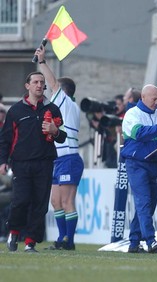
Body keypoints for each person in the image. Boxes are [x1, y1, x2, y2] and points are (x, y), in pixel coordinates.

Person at [0, 71, 66, 252]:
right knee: (20, 200)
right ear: (27, 86)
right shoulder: (15, 111)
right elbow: (5, 139)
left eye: (42, 82)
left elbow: (62, 137)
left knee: (40, 204)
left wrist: (55, 130)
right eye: (35, 82)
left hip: (45, 162)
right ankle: (13, 232)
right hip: (21, 163)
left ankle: (30, 242)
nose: (39, 85)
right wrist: (2, 161)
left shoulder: (52, 109)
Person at [36, 46, 84, 250]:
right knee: (55, 201)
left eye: (50, 89)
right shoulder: (62, 106)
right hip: (58, 159)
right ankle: (63, 238)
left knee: (66, 201)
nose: (47, 90)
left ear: (62, 93)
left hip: (69, 158)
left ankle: (69, 241)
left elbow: (53, 83)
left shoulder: (67, 103)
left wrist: (42, 61)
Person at [121, 84, 157, 253]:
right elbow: (139, 133)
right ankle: (150, 241)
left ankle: (134, 242)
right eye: (154, 99)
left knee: (148, 205)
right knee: (144, 202)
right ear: (143, 97)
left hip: (154, 163)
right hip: (136, 164)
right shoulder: (132, 114)